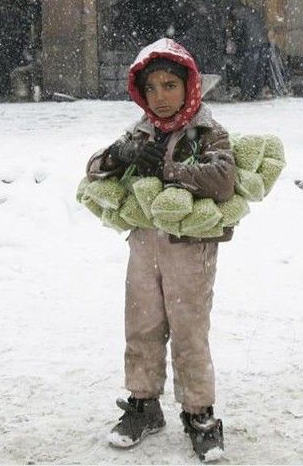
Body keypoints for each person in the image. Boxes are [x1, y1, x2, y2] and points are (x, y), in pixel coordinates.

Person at [85, 38, 236, 463]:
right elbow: (94, 167)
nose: (161, 97)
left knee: (189, 330)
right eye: (151, 89)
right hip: (144, 246)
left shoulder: (207, 131)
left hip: (190, 249)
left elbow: (223, 179)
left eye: (170, 86)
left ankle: (199, 414)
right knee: (142, 325)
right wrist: (122, 153)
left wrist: (167, 170)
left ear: (189, 86)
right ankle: (143, 404)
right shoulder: (141, 130)